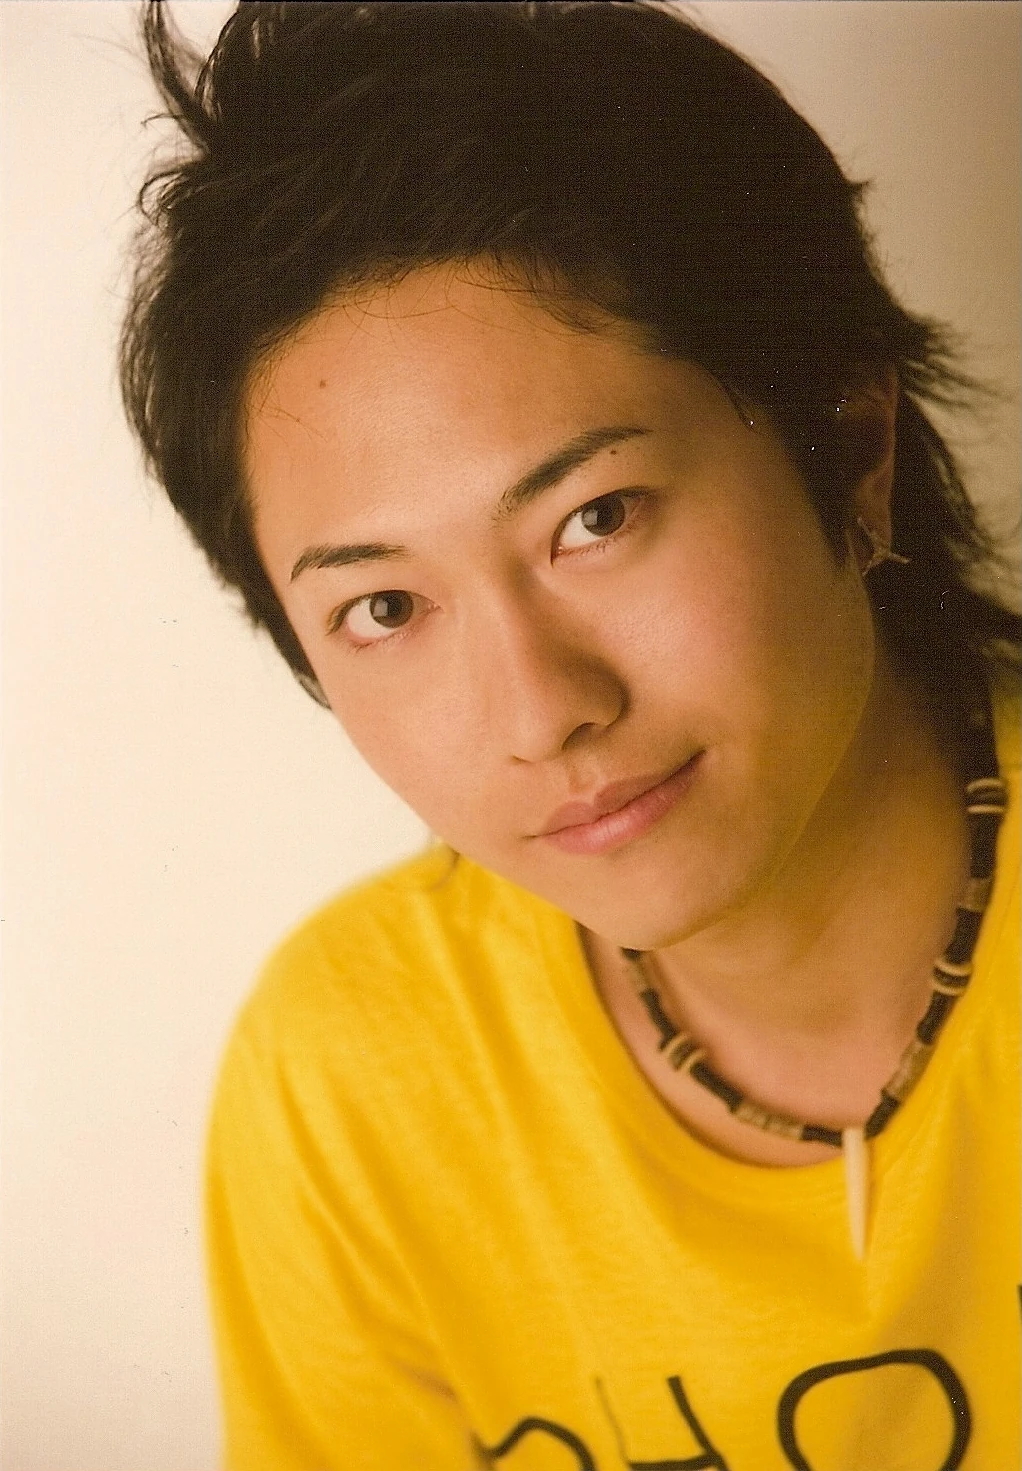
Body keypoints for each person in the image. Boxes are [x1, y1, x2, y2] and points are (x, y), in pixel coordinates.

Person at [120, 3, 1020, 1466]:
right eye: (384, 607)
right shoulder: (356, 1075)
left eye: (594, 519)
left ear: (850, 448)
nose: (542, 712)